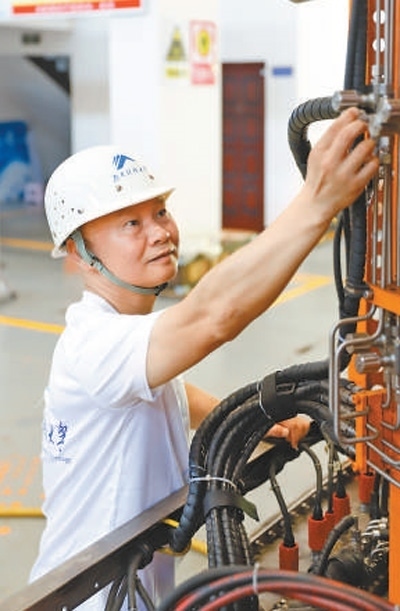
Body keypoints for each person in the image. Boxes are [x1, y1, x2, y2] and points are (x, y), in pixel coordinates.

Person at [29, 107, 378, 609]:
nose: (159, 232)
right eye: (131, 223)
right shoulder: (94, 346)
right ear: (78, 251)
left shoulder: (125, 337)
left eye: (160, 213)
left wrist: (252, 421)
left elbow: (167, 390)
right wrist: (318, 202)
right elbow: (213, 316)